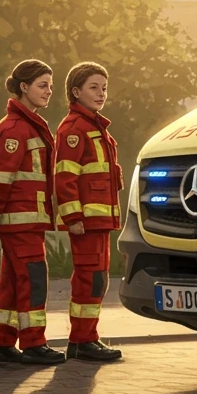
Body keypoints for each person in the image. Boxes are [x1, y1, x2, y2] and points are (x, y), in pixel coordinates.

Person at [0, 60, 65, 366]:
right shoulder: (14, 129)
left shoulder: (29, 125)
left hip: (28, 220)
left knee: (13, 281)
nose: (49, 91)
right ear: (24, 87)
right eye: (42, 85)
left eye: (50, 85)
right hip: (19, 221)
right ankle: (34, 344)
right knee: (34, 279)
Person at [54, 62, 123, 363]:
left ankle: (86, 338)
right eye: (93, 87)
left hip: (99, 222)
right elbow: (64, 177)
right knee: (89, 280)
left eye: (104, 88)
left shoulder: (96, 128)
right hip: (86, 223)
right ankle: (82, 340)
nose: (101, 93)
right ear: (76, 91)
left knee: (98, 279)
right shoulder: (73, 129)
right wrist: (73, 217)